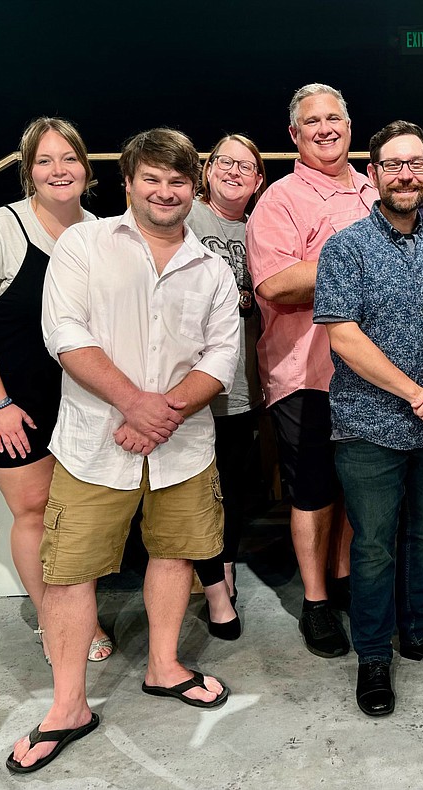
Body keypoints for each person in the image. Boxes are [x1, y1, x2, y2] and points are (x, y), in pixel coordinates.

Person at [7, 128, 239, 773]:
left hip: (182, 446)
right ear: (130, 183)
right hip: (94, 446)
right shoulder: (83, 243)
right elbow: (65, 332)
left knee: (174, 553)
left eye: (178, 181)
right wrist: (136, 404)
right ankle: (68, 706)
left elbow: (223, 354)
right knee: (70, 570)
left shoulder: (213, 267)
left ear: (193, 189)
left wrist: (161, 414)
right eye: (153, 179)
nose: (165, 191)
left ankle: (163, 667)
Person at [315, 120, 423, 717]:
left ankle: (419, 632)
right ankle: (374, 657)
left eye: (415, 164)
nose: (405, 174)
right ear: (375, 173)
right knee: (375, 546)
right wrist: (419, 392)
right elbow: (343, 337)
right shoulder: (345, 247)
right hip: (368, 426)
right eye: (392, 165)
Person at [0, 117, 112, 666]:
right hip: (5, 399)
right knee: (35, 512)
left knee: (75, 515)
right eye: (45, 160)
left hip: (72, 399)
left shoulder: (98, 230)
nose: (58, 170)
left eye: (69, 158)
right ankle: (54, 619)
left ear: (86, 168)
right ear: (28, 172)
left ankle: (72, 606)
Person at [247, 83, 377, 658]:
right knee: (312, 493)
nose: (325, 128)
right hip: (307, 373)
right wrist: (354, 254)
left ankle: (346, 581)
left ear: (349, 127)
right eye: (311, 122)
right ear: (295, 136)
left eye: (335, 119)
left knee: (357, 487)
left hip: (373, 371)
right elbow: (274, 284)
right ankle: (317, 601)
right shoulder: (279, 199)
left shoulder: (376, 191)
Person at [187, 134, 267, 640]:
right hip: (189, 385)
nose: (235, 171)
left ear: (259, 180)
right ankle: (210, 585)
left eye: (247, 166)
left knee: (233, 487)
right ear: (207, 170)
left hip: (242, 385)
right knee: (194, 490)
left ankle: (226, 566)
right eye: (225, 162)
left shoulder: (260, 228)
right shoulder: (187, 217)